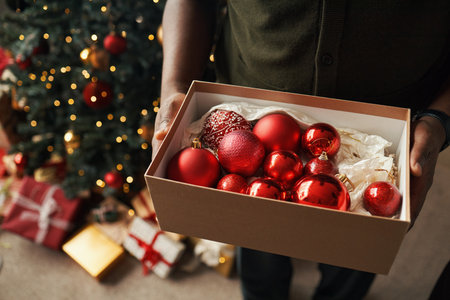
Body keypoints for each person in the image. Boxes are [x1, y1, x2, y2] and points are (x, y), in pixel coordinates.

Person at [152, 1, 450, 299]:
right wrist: (175, 87)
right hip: (247, 92)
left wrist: (439, 119)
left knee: (355, 256)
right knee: (256, 242)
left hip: (392, 121)